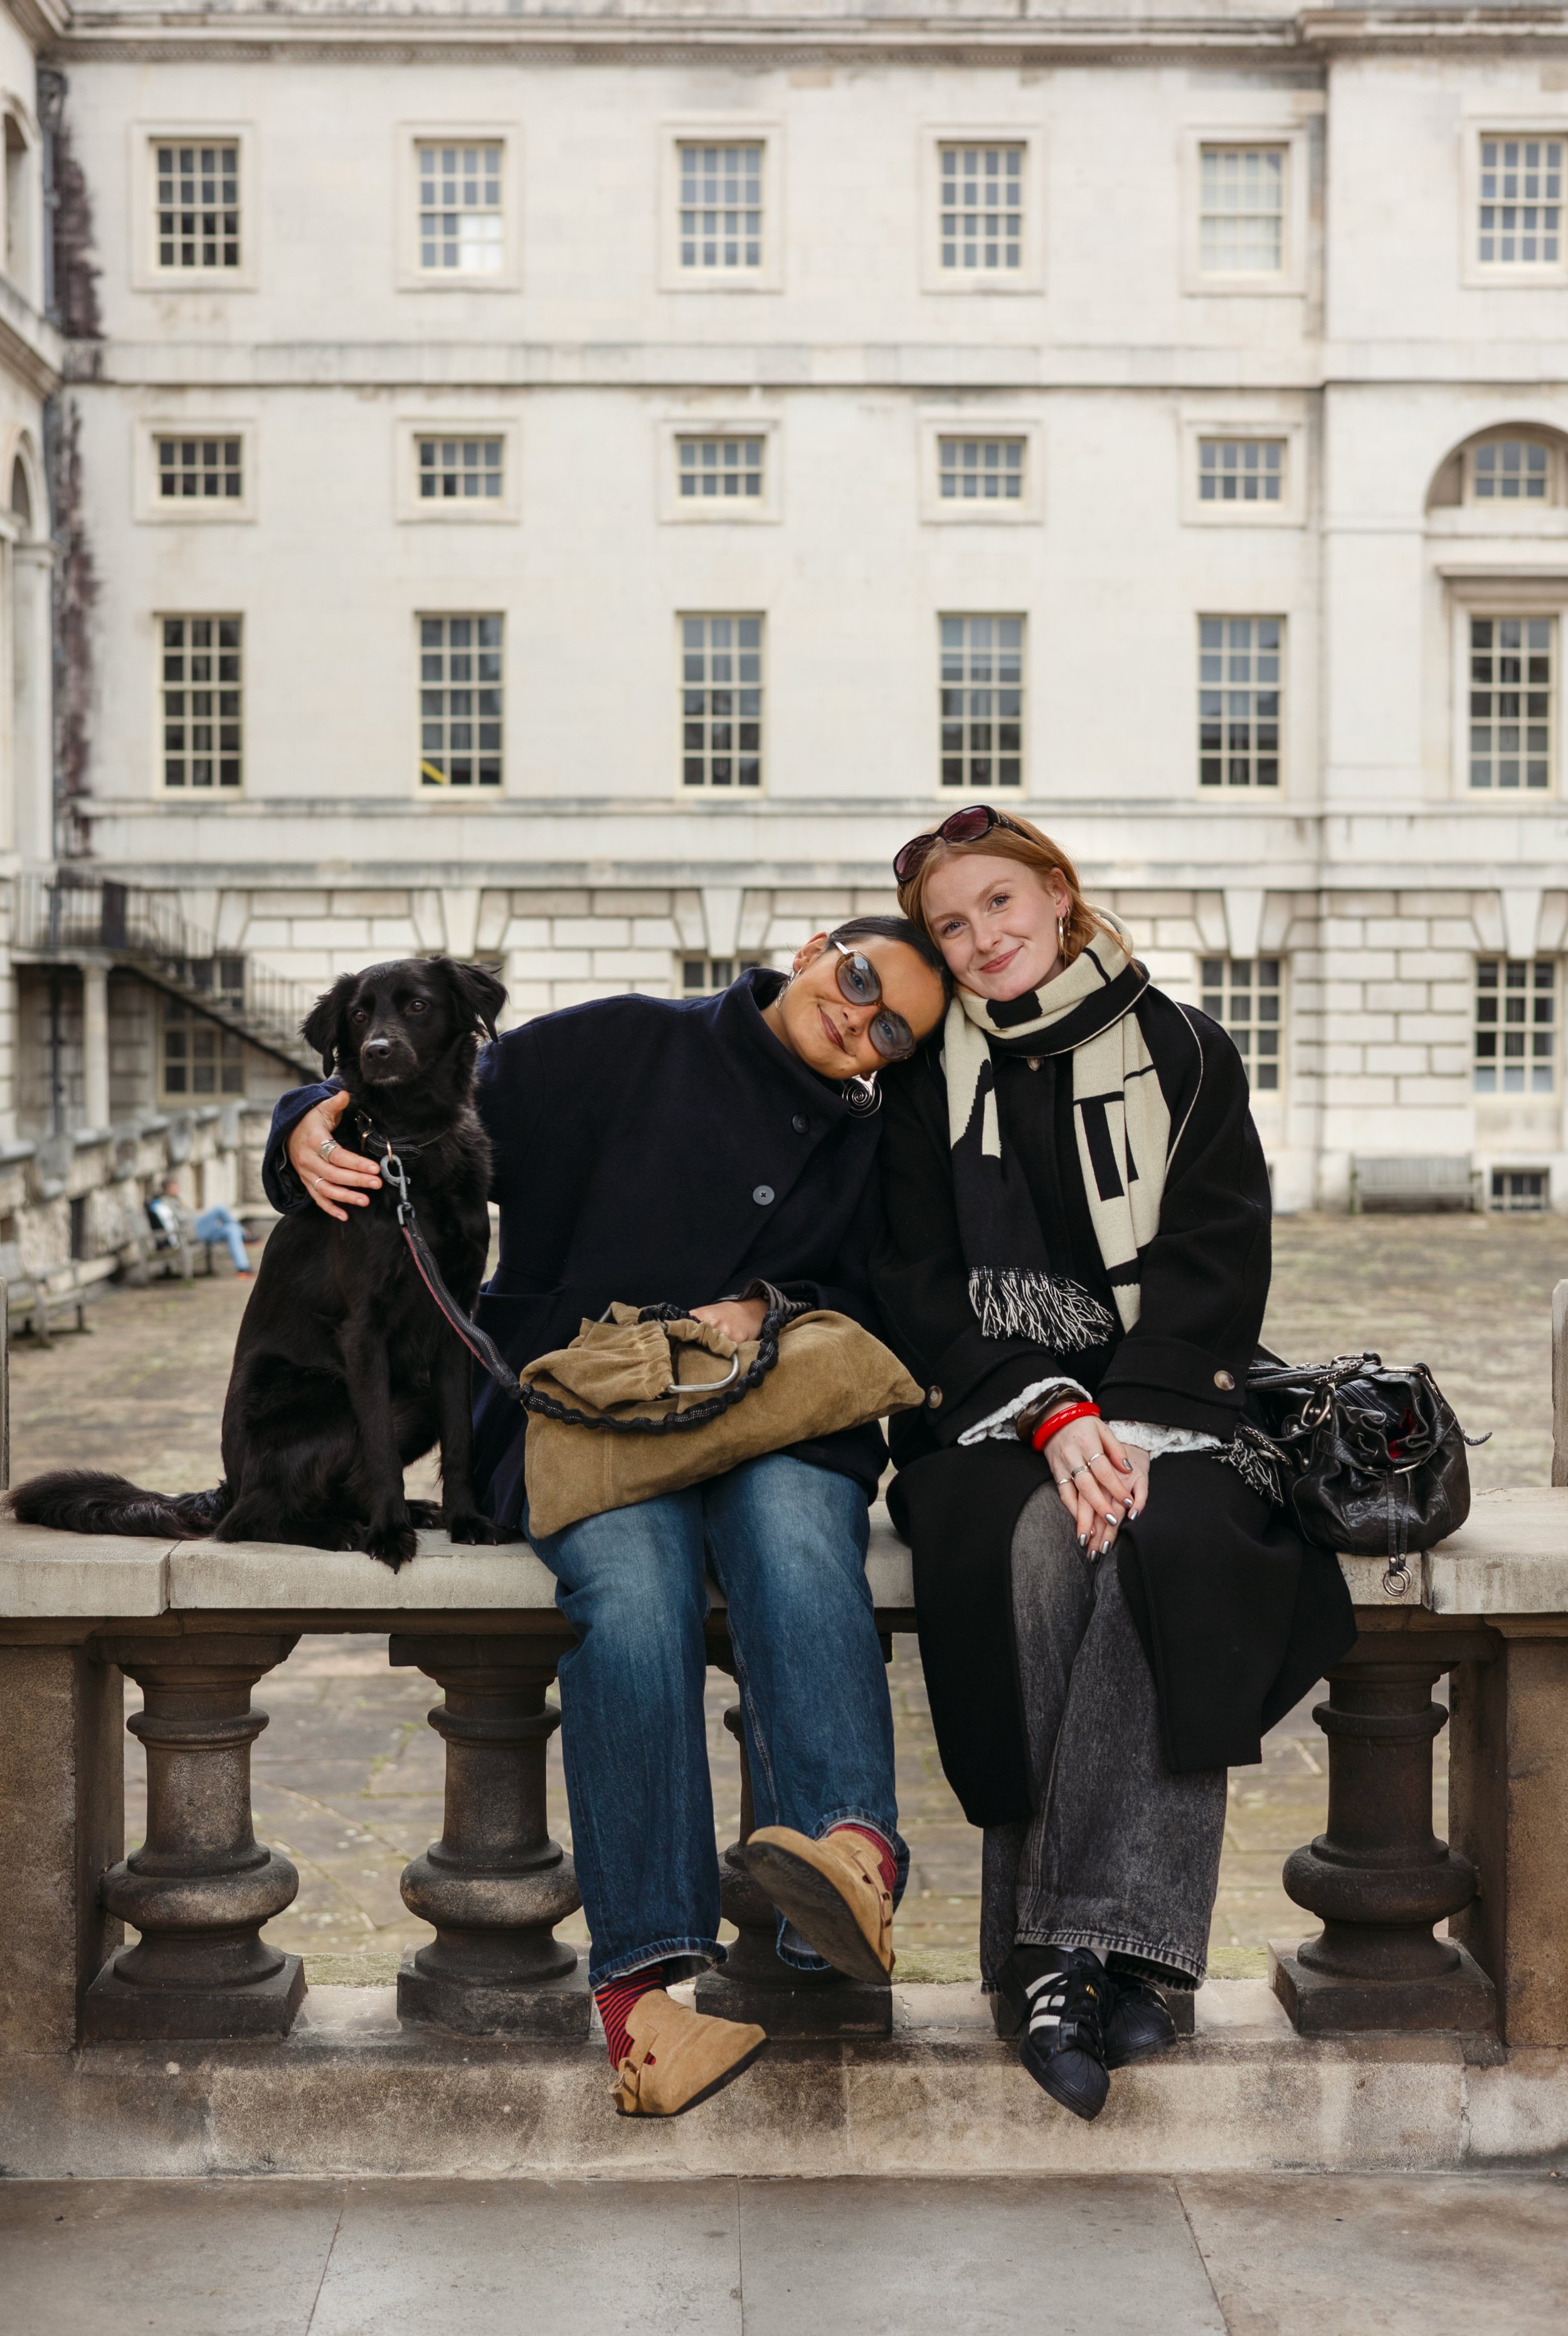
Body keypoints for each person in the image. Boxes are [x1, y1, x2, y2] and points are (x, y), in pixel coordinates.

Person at [263, 923, 950, 2116]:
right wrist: (300, 1124)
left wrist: (771, 1301)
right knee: (630, 1602)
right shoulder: (627, 1038)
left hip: (777, 1411)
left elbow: (901, 1287)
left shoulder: (875, 1130)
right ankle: (644, 2002)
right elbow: (409, 1078)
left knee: (797, 1545)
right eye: (856, 981)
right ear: (813, 950)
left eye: (892, 1028)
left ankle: (856, 1858)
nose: (858, 1021)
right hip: (585, 1408)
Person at [873, 808, 1355, 2123]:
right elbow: (911, 1283)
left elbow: (1215, 1257)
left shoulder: (1180, 1048)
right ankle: (1117, 1956)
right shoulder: (918, 1078)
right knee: (1033, 1540)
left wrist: (1125, 1423)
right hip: (980, 1413)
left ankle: (1054, 1955)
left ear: (1057, 894)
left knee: (1164, 1542)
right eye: (948, 924)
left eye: (998, 903)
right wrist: (1046, 1413)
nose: (979, 939)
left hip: (1171, 1390)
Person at [147, 1174, 254, 1277]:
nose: (177, 1188)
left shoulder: (177, 1199)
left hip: (197, 1229)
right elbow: (181, 1219)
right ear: (167, 1189)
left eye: (177, 1185)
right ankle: (244, 1234)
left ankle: (243, 1268)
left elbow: (190, 1214)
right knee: (220, 1208)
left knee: (231, 1230)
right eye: (174, 1186)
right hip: (189, 1232)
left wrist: (201, 1214)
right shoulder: (165, 1203)